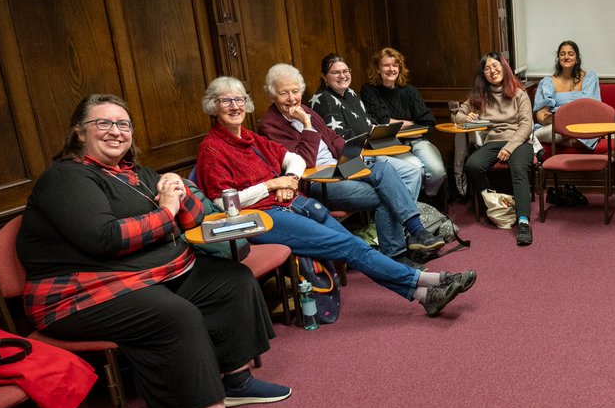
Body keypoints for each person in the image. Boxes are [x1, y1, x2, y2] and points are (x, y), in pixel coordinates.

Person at [17, 94, 286, 408]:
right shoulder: (66, 178)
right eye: (103, 123)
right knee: (176, 315)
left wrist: (178, 188)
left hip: (151, 276)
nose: (116, 131)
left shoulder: (137, 173)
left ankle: (237, 381)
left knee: (231, 279)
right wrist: (166, 210)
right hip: (79, 295)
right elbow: (106, 238)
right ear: (79, 133)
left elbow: (191, 222)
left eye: (123, 124)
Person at [194, 75, 475, 316]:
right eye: (226, 101)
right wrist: (270, 186)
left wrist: (289, 180)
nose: (234, 106)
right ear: (213, 107)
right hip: (264, 217)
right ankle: (434, 279)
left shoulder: (251, 139)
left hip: (296, 202)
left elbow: (296, 162)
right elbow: (223, 201)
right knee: (350, 247)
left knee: (356, 236)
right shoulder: (212, 148)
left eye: (239, 99)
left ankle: (425, 295)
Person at [256, 62, 444, 261]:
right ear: (271, 95)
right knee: (384, 195)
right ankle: (401, 251)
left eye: (295, 91)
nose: (292, 98)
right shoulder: (270, 125)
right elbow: (304, 162)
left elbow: (333, 138)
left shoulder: (305, 110)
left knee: (384, 168)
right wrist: (307, 126)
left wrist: (351, 154)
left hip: (340, 167)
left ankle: (416, 233)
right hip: (316, 182)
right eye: (284, 93)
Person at [305, 53, 424, 196]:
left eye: (345, 71)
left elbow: (368, 123)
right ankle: (402, 215)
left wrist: (381, 133)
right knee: (412, 171)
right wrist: (369, 141)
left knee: (414, 170)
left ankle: (401, 214)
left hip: (370, 151)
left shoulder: (352, 94)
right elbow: (340, 139)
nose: (342, 76)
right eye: (335, 72)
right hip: (349, 160)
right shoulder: (323, 100)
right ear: (324, 76)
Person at [454, 52, 535, 247]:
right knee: (473, 165)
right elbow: (458, 116)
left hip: (519, 141)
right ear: (483, 73)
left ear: (504, 68)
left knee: (518, 170)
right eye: (487, 68)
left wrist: (509, 147)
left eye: (496, 66)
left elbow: (526, 126)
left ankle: (523, 222)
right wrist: (467, 118)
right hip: (493, 141)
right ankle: (495, 205)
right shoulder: (479, 95)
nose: (492, 71)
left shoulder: (518, 93)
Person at [360, 47, 447, 197]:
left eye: (395, 65)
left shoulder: (409, 91)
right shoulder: (369, 90)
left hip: (417, 141)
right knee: (417, 170)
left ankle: (426, 199)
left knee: (437, 172)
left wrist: (397, 125)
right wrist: (412, 122)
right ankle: (413, 206)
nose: (391, 69)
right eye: (386, 65)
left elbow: (428, 121)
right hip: (390, 144)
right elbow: (383, 122)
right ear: (378, 69)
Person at [532, 40, 602, 150]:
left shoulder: (589, 78)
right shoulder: (548, 82)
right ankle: (562, 136)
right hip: (556, 123)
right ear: (558, 58)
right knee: (557, 129)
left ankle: (555, 139)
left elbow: (593, 108)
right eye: (562, 54)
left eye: (570, 53)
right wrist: (546, 119)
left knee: (583, 137)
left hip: (582, 123)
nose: (566, 57)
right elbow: (541, 113)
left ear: (577, 59)